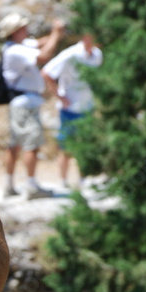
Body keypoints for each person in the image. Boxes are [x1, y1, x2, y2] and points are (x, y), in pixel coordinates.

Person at [0, 12, 65, 199]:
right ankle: (32, 186)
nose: (27, 30)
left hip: (20, 103)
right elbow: (43, 55)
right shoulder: (16, 51)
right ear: (16, 31)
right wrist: (57, 34)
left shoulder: (17, 46)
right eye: (23, 28)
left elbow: (39, 43)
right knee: (31, 143)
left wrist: (52, 35)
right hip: (26, 103)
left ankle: (9, 185)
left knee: (16, 144)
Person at [41, 33, 103, 190]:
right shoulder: (70, 54)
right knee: (67, 147)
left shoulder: (97, 55)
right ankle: (63, 181)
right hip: (70, 109)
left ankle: (84, 179)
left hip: (87, 107)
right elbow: (46, 72)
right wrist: (60, 97)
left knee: (86, 145)